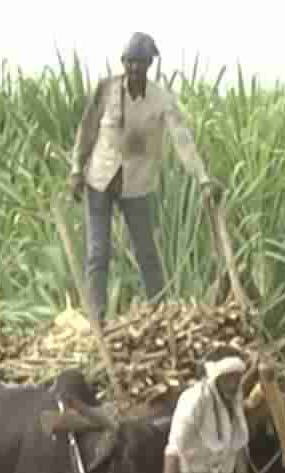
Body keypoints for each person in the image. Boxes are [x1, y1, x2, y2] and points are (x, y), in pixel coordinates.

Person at [68, 31, 224, 326]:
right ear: (123, 62)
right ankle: (97, 319)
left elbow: (182, 139)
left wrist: (202, 177)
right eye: (130, 62)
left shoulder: (160, 99)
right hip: (100, 179)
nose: (135, 69)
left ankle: (160, 314)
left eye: (141, 63)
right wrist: (76, 169)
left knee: (147, 253)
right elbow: (86, 130)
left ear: (151, 64)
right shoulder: (106, 90)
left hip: (137, 185)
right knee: (98, 253)